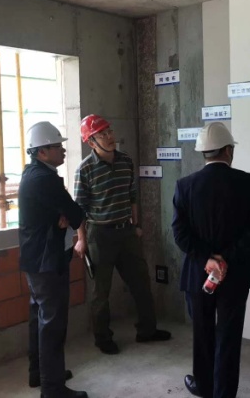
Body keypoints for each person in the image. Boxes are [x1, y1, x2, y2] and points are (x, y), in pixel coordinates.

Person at [172, 122, 250, 398]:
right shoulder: (247, 182)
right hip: (236, 273)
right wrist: (225, 258)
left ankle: (203, 386)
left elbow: (180, 233)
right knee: (229, 336)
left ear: (204, 153)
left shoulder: (185, 185)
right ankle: (223, 393)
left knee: (202, 333)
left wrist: (208, 259)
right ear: (228, 151)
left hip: (198, 274)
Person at [73, 114, 171, 355]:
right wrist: (82, 240)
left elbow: (132, 195)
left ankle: (147, 330)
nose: (109, 137)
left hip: (126, 232)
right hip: (99, 235)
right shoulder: (85, 169)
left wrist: (136, 224)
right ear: (91, 142)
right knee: (101, 291)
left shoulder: (126, 161)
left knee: (141, 282)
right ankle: (103, 338)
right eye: (102, 134)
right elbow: (79, 210)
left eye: (109, 131)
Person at [18, 121, 88, 398]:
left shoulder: (32, 174)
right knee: (53, 325)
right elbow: (76, 213)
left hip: (36, 261)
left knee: (41, 318)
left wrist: (63, 217)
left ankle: (40, 373)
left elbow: (66, 213)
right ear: (42, 151)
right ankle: (53, 389)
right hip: (47, 262)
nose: (63, 150)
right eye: (57, 146)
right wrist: (66, 216)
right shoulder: (44, 179)